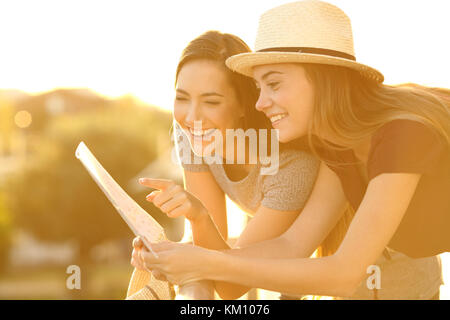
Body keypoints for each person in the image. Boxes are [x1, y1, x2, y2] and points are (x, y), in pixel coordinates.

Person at [137, 1, 449, 299]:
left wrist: (206, 262)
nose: (259, 103)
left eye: (274, 84)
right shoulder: (336, 145)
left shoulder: (402, 134)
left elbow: (345, 274)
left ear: (324, 79)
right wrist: (186, 250)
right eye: (259, 88)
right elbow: (290, 245)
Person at [126, 30, 321, 300]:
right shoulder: (192, 135)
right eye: (182, 98)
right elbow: (209, 247)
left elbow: (232, 285)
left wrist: (199, 216)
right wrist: (163, 252)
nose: (192, 117)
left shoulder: (290, 165)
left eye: (211, 102)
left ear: (244, 104)